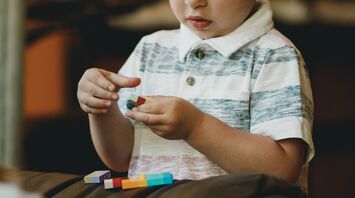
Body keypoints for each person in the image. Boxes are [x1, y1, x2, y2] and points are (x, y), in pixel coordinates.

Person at [77, 0, 314, 192]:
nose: (193, 2)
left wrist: (196, 127)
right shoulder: (151, 48)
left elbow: (282, 170)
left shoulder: (274, 55)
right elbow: (121, 158)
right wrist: (102, 109)